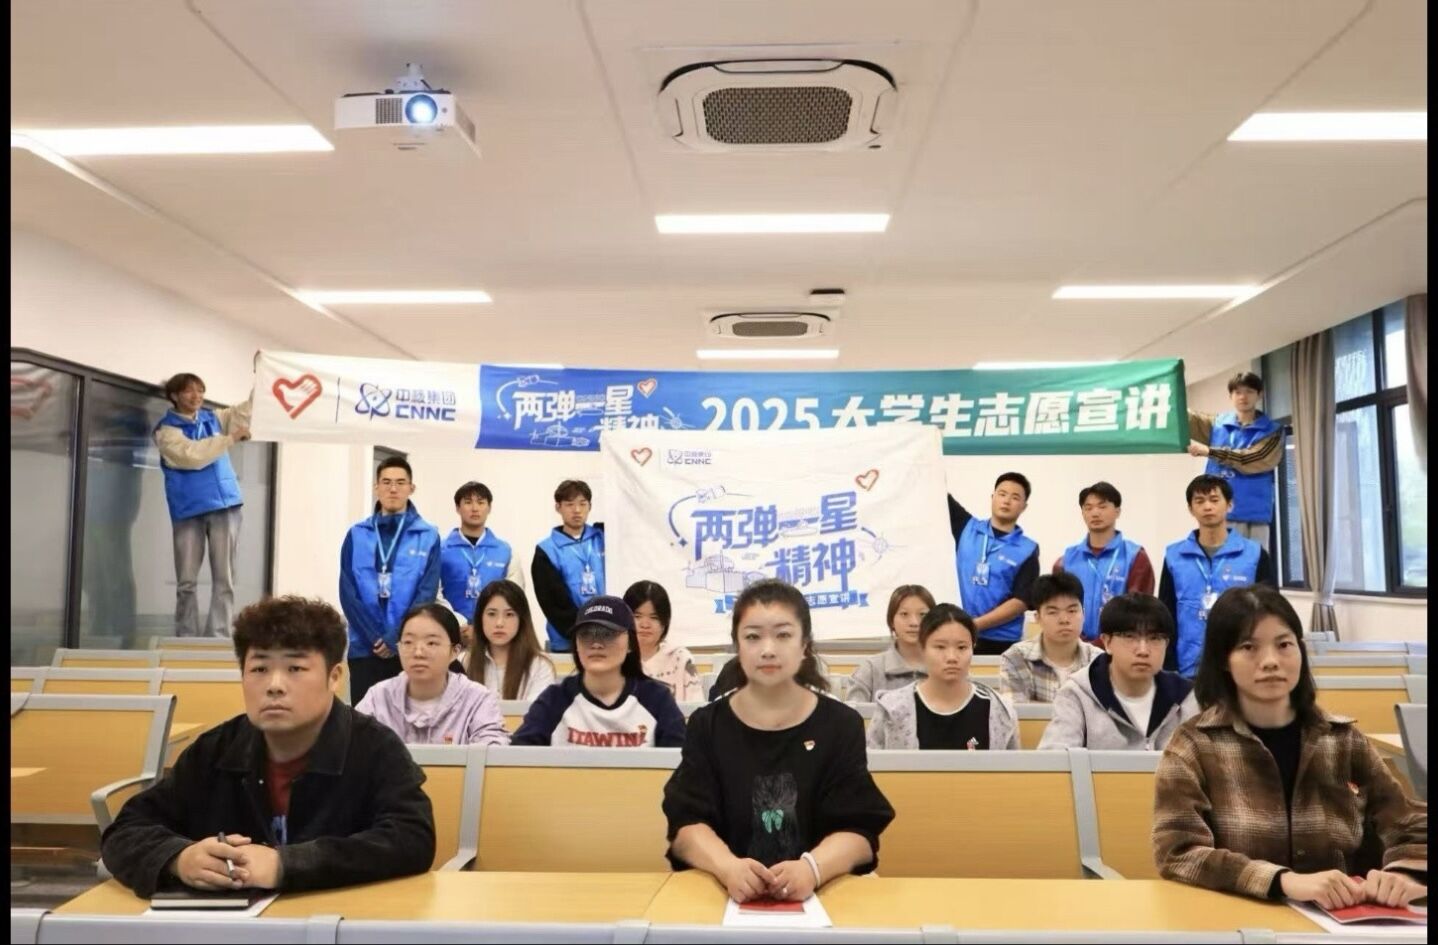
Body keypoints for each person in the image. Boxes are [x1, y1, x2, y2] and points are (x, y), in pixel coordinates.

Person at [99, 596, 435, 897]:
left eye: (295, 668)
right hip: (232, 931)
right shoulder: (216, 750)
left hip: (335, 924)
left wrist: (286, 864)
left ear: (335, 677)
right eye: (259, 668)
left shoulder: (374, 747)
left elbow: (412, 838)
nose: (274, 685)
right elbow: (126, 830)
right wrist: (178, 859)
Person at [1154, 585, 1426, 908]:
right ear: (1224, 660)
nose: (1271, 661)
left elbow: (1410, 824)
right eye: (1249, 647)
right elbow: (1178, 852)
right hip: (1238, 919)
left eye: (1284, 645)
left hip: (1343, 920)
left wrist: (1404, 875)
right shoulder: (1193, 745)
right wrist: (1281, 881)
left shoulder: (1343, 740)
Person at [663, 579, 895, 902]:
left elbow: (859, 831)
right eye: (753, 636)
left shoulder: (841, 725)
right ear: (737, 645)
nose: (768, 649)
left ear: (804, 645)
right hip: (723, 896)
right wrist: (728, 867)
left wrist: (812, 869)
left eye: (783, 635)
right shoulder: (707, 725)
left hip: (824, 896)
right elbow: (686, 825)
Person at [153, 372, 253, 638]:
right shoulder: (166, 431)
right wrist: (229, 439)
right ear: (174, 396)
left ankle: (219, 636)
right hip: (188, 511)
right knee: (186, 582)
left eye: (200, 390)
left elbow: (247, 411)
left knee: (225, 578)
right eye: (189, 391)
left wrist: (263, 375)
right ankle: (186, 637)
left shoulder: (214, 418)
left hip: (225, 506)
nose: (196, 396)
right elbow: (193, 456)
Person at [511, 595, 685, 747]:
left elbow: (680, 761)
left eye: (608, 634)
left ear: (631, 644)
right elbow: (518, 760)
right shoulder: (554, 700)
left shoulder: (657, 700)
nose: (596, 644)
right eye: (586, 634)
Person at [339, 458, 442, 704]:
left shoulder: (428, 536)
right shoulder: (357, 534)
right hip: (364, 649)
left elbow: (426, 594)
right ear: (376, 488)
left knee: (410, 718)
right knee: (365, 719)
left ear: (411, 488)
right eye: (386, 482)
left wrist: (395, 637)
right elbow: (347, 592)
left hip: (409, 649)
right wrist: (374, 637)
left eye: (400, 482)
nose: (393, 489)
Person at [1038, 593, 1198, 750]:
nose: (1143, 650)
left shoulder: (1186, 697)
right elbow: (1055, 758)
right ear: (1107, 642)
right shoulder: (1077, 694)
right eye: (1130, 636)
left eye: (1154, 638)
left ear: (1166, 644)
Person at [1159, 475, 1276, 678]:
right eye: (1199, 501)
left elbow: (1271, 612)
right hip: (1188, 666)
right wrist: (1170, 665)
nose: (1207, 507)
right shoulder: (1174, 556)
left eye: (1214, 500)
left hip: (1243, 664)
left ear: (1229, 505)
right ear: (1190, 509)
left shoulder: (1255, 554)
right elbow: (1165, 613)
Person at [868, 603, 1019, 750]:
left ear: (973, 648)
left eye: (962, 647)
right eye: (940, 647)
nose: (952, 657)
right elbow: (872, 762)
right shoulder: (891, 708)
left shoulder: (999, 709)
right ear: (922, 648)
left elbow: (1013, 766)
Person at [354, 604, 509, 746]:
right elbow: (353, 748)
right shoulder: (378, 698)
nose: (418, 652)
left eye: (431, 643)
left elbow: (493, 752)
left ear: (454, 651)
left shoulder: (476, 699)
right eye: (408, 642)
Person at [947, 473, 1040, 656]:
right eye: (1002, 494)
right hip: (958, 633)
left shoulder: (1027, 549)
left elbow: (1021, 601)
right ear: (993, 497)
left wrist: (975, 624)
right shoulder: (967, 528)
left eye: (1015, 497)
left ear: (1024, 506)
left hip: (1001, 641)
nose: (1007, 501)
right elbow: (939, 495)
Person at [1187, 371, 1284, 547]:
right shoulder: (1218, 424)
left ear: (1259, 395)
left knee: (1253, 561)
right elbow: (1185, 418)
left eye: (1249, 391)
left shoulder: (1272, 431)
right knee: (1216, 559)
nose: (1243, 397)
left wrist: (1211, 452)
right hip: (1216, 511)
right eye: (1237, 392)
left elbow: (1254, 458)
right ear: (1230, 396)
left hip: (1253, 514)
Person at [1053, 481, 1156, 641]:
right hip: (1073, 646)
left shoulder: (1135, 557)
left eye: (1102, 506)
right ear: (1083, 513)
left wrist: (1103, 644)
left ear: (1117, 511)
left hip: (1119, 646)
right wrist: (1078, 643)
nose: (1095, 513)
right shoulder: (1066, 560)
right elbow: (1057, 607)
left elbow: (1138, 611)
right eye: (1088, 508)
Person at [438, 481, 524, 647]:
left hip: (494, 638)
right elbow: (434, 594)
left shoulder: (506, 551)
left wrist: (483, 628)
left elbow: (514, 596)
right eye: (468, 502)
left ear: (489, 507)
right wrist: (459, 625)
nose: (475, 508)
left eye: (481, 502)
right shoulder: (440, 550)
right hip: (451, 636)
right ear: (457, 508)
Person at [997, 572, 1104, 704]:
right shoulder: (1016, 658)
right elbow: (1016, 712)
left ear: (1083, 614)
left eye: (1072, 611)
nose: (1064, 620)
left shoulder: (1099, 661)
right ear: (1037, 618)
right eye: (1053, 612)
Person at [532, 479, 606, 653]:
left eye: (582, 504)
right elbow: (552, 603)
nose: (577, 510)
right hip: (567, 641)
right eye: (569, 504)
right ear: (558, 507)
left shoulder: (604, 538)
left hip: (608, 635)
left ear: (590, 506)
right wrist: (583, 632)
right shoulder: (546, 551)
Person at [467, 579, 557, 700]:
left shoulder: (540, 665)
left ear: (521, 619)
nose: (499, 623)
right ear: (480, 618)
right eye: (492, 614)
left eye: (509, 614)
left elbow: (536, 711)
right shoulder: (464, 662)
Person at [845, 585, 935, 703]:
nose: (914, 622)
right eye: (904, 614)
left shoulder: (946, 667)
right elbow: (854, 712)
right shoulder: (870, 669)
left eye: (922, 614)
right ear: (892, 621)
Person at [624, 580, 703, 702]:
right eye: (637, 616)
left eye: (654, 617)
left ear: (665, 622)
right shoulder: (614, 658)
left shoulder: (681, 659)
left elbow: (696, 707)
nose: (645, 625)